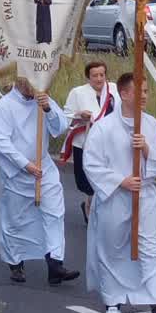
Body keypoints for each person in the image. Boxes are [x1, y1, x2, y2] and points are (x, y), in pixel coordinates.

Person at [82, 73, 156, 313]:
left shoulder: (150, 124)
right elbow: (91, 163)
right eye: (139, 91)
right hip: (114, 198)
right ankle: (113, 305)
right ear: (124, 94)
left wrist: (147, 149)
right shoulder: (103, 128)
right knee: (112, 249)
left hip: (145, 196)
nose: (144, 96)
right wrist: (121, 181)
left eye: (147, 91)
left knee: (153, 250)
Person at [0, 77, 81, 286]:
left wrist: (48, 109)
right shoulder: (4, 107)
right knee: (16, 220)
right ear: (20, 80)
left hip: (44, 168)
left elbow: (60, 127)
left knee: (54, 214)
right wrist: (24, 164)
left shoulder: (43, 100)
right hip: (18, 173)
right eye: (29, 82)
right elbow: (0, 141)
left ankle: (55, 263)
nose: (34, 86)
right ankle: (15, 262)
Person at [61, 60, 116, 223]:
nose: (99, 79)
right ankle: (89, 205)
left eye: (102, 75)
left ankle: (101, 213)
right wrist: (79, 115)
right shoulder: (77, 93)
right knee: (88, 183)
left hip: (110, 145)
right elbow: (66, 117)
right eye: (95, 75)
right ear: (88, 77)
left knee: (106, 180)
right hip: (85, 144)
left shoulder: (114, 90)